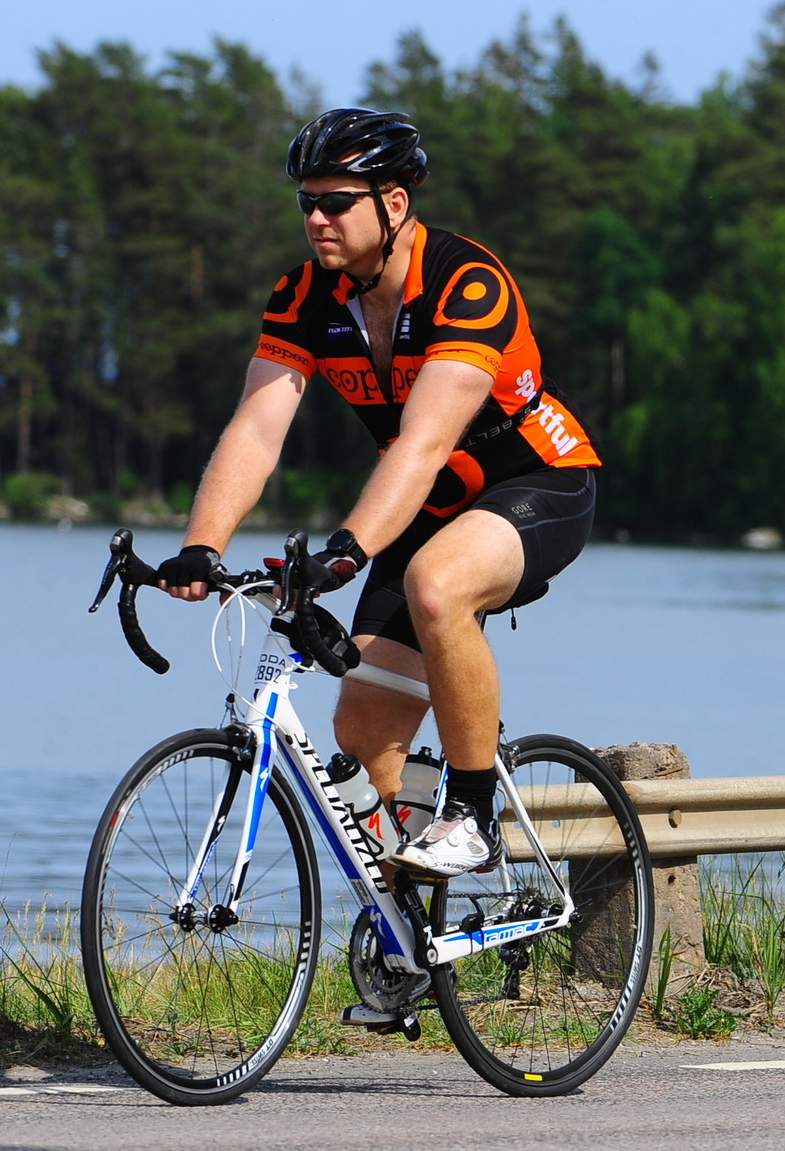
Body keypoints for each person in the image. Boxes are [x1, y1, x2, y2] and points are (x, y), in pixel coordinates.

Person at [156, 107, 599, 878]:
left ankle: (473, 816)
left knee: (438, 583)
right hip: (424, 505)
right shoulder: (304, 298)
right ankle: (405, 933)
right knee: (362, 732)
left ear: (395, 203)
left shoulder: (467, 283)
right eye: (307, 203)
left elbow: (423, 444)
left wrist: (347, 551)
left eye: (336, 202)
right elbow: (257, 428)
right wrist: (203, 544)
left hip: (535, 480)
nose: (316, 219)